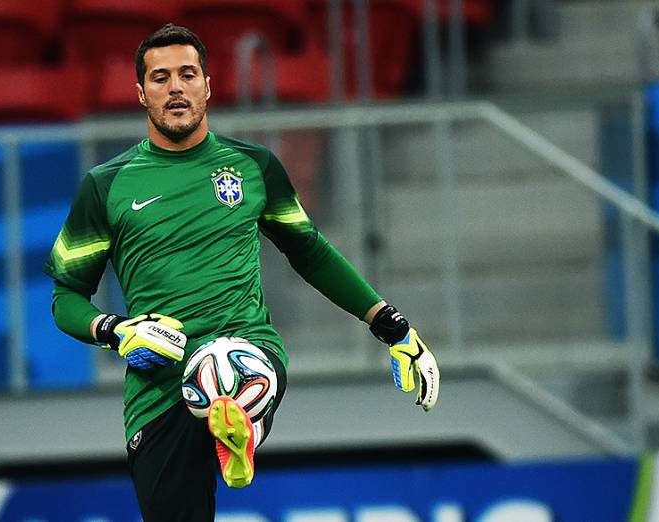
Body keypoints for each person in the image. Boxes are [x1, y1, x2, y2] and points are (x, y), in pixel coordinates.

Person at [43, 23, 440, 522]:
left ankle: (236, 418)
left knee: (226, 363)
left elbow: (310, 252)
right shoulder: (105, 186)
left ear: (208, 86)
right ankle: (230, 422)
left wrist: (391, 325)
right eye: (161, 78)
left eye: (187, 74)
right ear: (141, 93)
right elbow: (66, 299)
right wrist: (117, 330)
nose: (176, 88)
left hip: (247, 348)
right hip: (157, 386)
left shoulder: (253, 166)